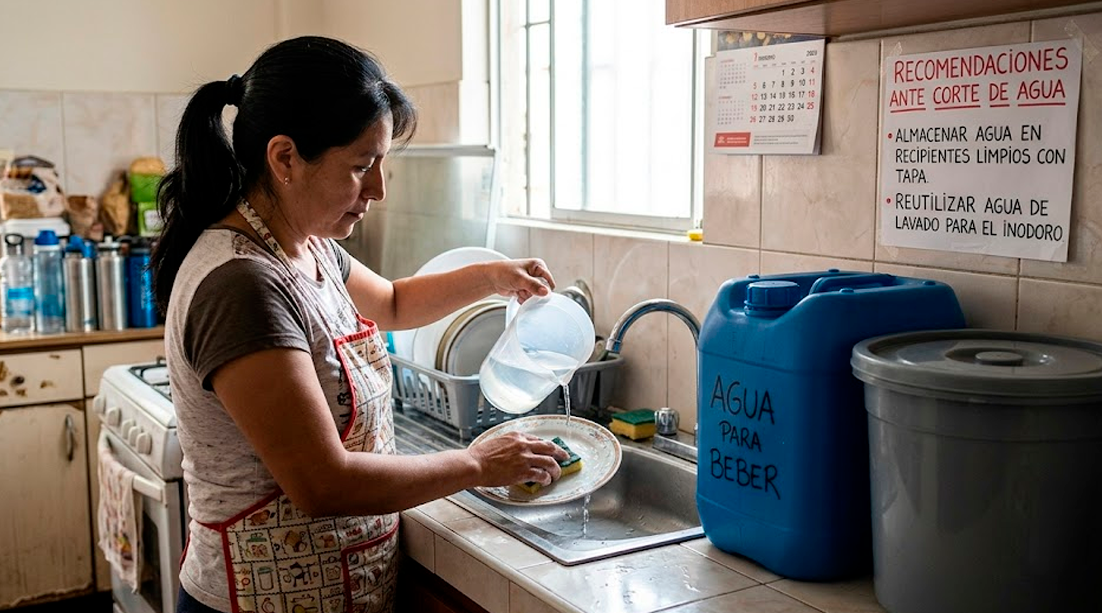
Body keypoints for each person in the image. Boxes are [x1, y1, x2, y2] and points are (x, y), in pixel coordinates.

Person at [151, 36, 569, 613]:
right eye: (360, 166)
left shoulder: (308, 246)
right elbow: (323, 482)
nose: (378, 190)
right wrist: (477, 465)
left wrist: (493, 276)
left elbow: (393, 302)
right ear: (285, 158)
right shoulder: (242, 285)